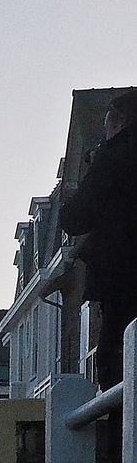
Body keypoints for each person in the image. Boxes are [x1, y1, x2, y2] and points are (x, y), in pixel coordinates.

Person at [62, 90, 137, 389]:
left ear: (119, 121)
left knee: (117, 367)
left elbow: (74, 218)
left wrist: (98, 163)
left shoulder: (114, 158)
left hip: (121, 281)